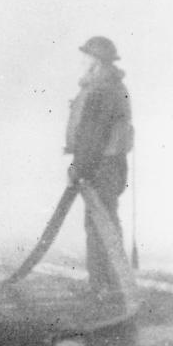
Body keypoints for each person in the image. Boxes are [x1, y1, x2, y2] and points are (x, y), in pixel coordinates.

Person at [65, 35, 134, 297]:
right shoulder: (110, 86)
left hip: (101, 166)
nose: (81, 62)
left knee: (99, 225)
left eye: (85, 58)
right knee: (105, 223)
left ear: (96, 62)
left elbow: (93, 136)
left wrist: (78, 168)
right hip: (108, 164)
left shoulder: (101, 90)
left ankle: (103, 286)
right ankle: (112, 284)